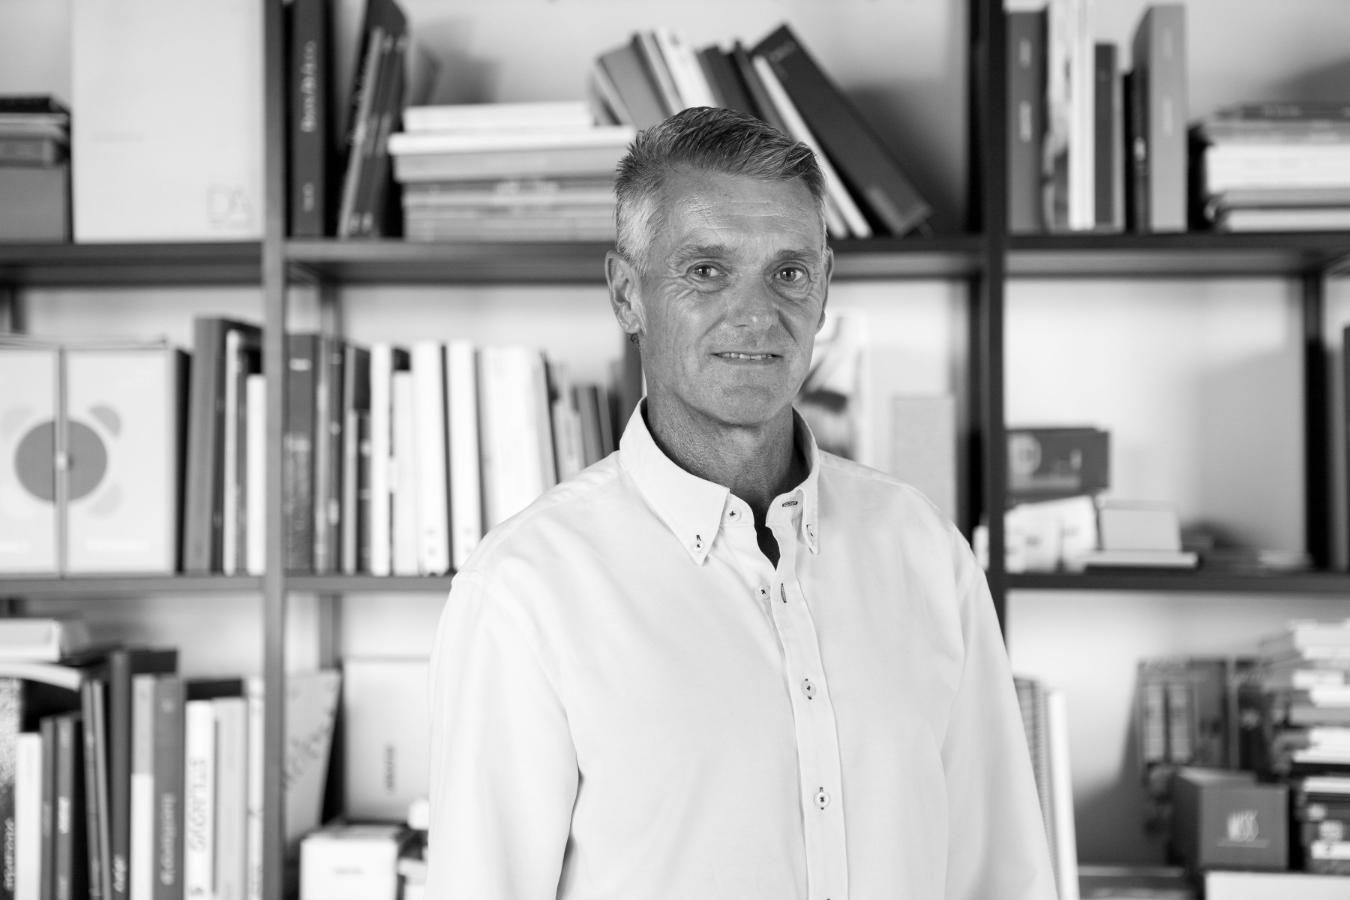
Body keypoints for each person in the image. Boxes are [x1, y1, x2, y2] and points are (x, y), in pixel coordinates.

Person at [427, 106, 1056, 900]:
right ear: (627, 293)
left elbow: (1002, 878)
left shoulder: (927, 555)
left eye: (788, 272)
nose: (757, 315)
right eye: (706, 270)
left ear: (824, 290)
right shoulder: (525, 591)